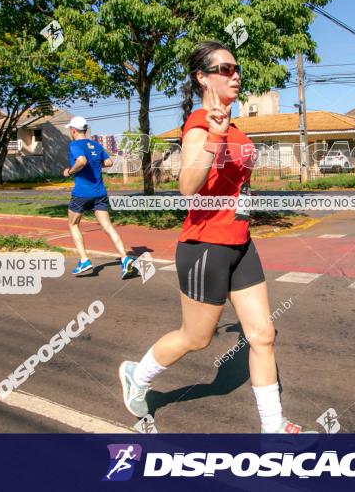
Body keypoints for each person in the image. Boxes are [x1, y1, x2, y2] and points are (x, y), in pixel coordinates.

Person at [118, 41, 313, 434]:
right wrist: (213, 138)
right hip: (206, 245)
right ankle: (138, 376)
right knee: (196, 338)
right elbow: (188, 187)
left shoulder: (233, 126)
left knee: (263, 334)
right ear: (202, 77)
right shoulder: (199, 124)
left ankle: (273, 428)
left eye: (236, 67)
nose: (235, 74)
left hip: (240, 242)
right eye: (224, 69)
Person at [64, 116, 135, 278]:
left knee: (73, 224)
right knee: (108, 226)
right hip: (100, 193)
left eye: (70, 129)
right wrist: (95, 164)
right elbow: (109, 162)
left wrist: (69, 171)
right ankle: (125, 258)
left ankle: (84, 260)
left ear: (73, 130)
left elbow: (81, 161)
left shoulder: (75, 145)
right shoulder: (95, 144)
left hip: (82, 193)